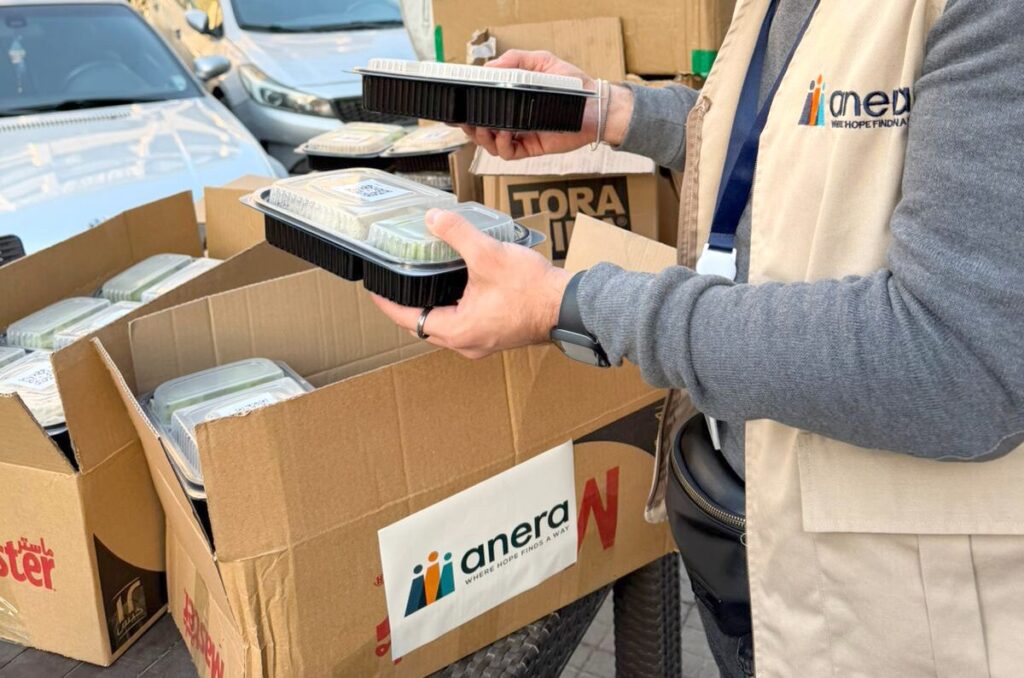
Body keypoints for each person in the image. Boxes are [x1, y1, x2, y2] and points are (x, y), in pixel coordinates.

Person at [372, 0, 1024, 675]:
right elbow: (778, 143)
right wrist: (608, 113)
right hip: (759, 539)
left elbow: (960, 360)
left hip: (900, 610)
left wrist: (569, 303)